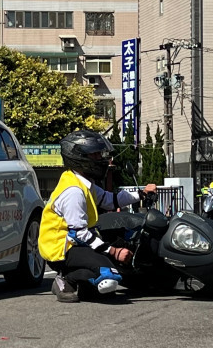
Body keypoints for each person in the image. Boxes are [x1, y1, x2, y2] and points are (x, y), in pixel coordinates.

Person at [39, 129, 157, 303]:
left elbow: (110, 200)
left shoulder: (84, 183)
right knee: (108, 279)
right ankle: (66, 280)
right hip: (61, 250)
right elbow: (78, 234)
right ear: (79, 157)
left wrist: (141, 194)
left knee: (105, 289)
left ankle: (86, 283)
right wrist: (114, 252)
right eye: (96, 155)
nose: (102, 160)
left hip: (76, 244)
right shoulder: (74, 191)